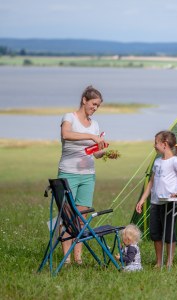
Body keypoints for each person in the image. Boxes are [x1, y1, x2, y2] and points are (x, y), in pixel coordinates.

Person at [58, 85, 113, 265]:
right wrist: (91, 138)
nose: (95, 108)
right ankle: (66, 259)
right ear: (84, 100)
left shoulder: (95, 124)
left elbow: (94, 153)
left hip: (88, 174)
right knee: (67, 216)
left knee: (81, 218)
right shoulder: (69, 117)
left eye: (98, 106)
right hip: (68, 172)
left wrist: (103, 152)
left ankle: (78, 257)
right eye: (93, 104)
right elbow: (66, 134)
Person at [135, 130, 177, 267]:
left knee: (168, 233)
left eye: (156, 143)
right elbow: (151, 182)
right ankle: (159, 261)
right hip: (155, 203)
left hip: (169, 203)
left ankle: (169, 262)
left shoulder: (175, 162)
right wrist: (142, 200)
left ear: (164, 144)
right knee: (155, 233)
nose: (154, 146)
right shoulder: (157, 162)